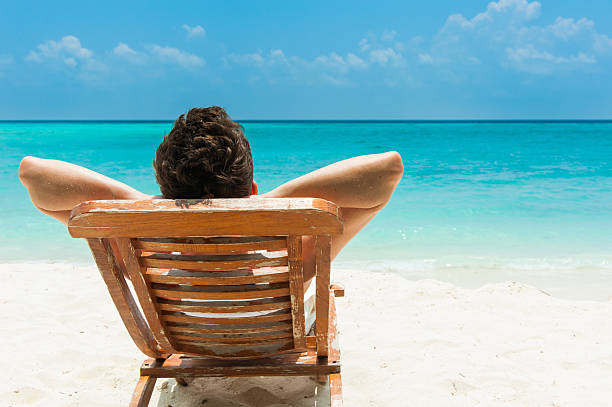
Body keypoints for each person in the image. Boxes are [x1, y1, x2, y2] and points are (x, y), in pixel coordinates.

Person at [18, 106, 403, 287]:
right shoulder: (295, 251)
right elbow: (387, 169)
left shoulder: (140, 246)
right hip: (272, 344)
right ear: (251, 190)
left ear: (168, 193)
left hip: (186, 340)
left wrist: (150, 205)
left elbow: (32, 173)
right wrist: (266, 203)